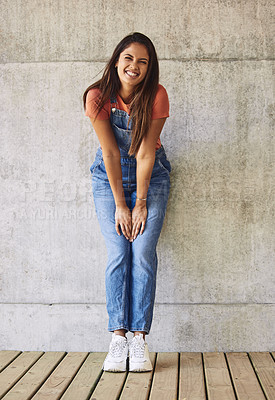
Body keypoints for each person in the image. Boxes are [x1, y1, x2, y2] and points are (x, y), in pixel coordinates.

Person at [83, 32, 171, 372]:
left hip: (153, 177)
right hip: (109, 180)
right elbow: (110, 152)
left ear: (149, 69)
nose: (135, 66)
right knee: (119, 252)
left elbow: (146, 151)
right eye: (129, 58)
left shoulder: (156, 96)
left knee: (143, 254)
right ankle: (118, 339)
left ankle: (139, 340)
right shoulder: (97, 97)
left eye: (143, 62)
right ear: (117, 60)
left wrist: (141, 202)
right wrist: (122, 204)